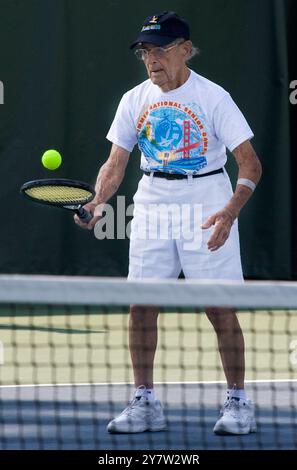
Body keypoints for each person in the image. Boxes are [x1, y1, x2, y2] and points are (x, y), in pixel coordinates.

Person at [75, 11, 262, 435]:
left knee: (218, 307)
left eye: (160, 50)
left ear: (184, 50)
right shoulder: (133, 99)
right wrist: (99, 201)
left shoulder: (214, 97)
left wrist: (230, 211)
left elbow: (250, 163)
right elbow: (115, 162)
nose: (151, 60)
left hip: (207, 203)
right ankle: (144, 403)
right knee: (141, 306)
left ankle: (238, 401)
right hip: (153, 205)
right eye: (145, 51)